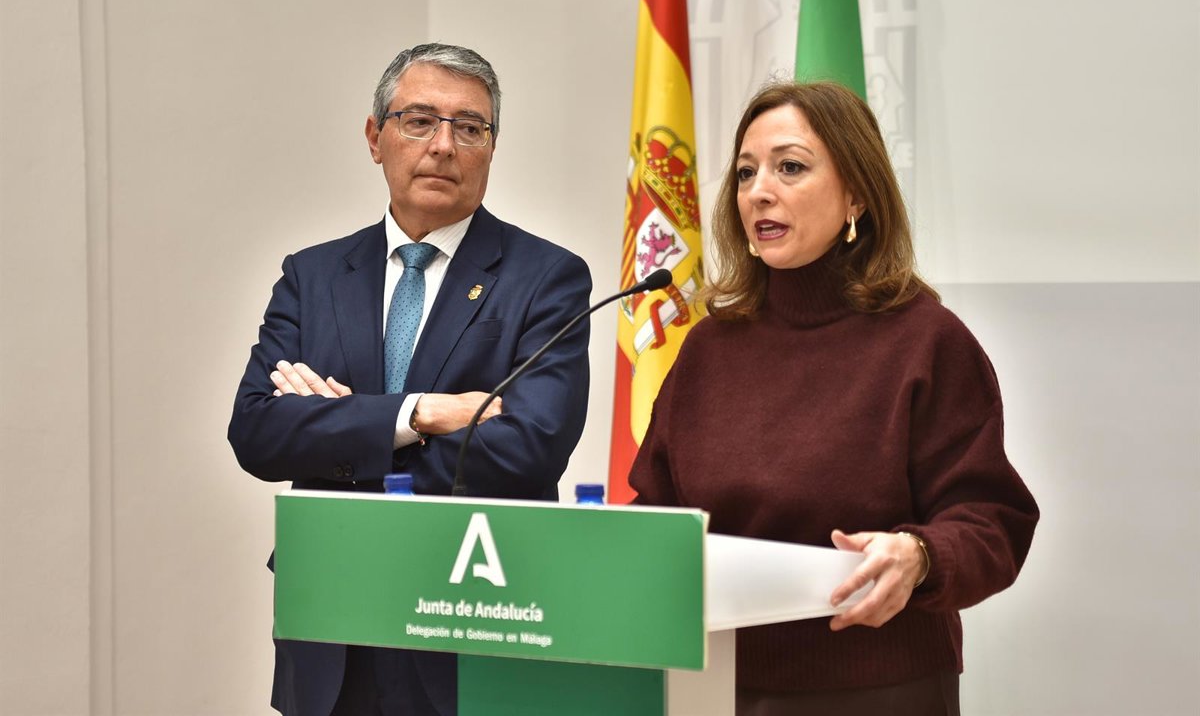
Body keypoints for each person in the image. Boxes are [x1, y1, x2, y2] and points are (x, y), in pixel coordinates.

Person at [628, 81, 1038, 715]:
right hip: (714, 683)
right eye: (746, 172)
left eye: (790, 167)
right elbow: (657, 512)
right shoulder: (710, 347)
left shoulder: (925, 341)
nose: (759, 191)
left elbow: (992, 521)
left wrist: (920, 555)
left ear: (856, 195)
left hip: (877, 687)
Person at [228, 43, 592, 716]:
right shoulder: (312, 276)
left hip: (472, 617)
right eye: (419, 121)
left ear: (491, 146)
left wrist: (339, 430)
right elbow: (256, 433)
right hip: (332, 624)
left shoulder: (547, 278)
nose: (444, 146)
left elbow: (529, 448)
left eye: (469, 127)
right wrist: (418, 414)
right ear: (376, 138)